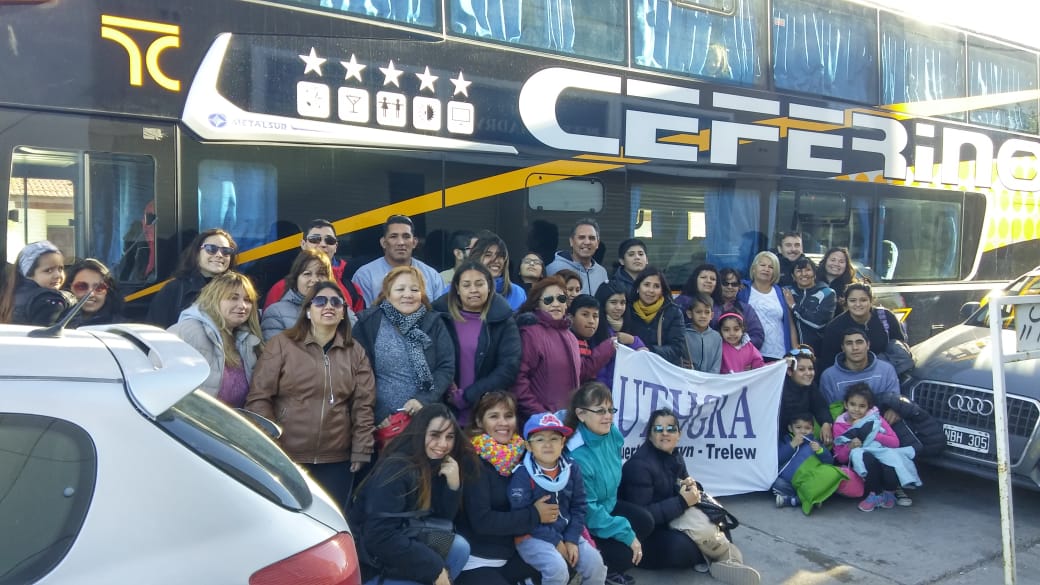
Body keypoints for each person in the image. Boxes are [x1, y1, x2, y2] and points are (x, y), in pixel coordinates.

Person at [246, 281, 375, 510]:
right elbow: (259, 397)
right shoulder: (282, 345)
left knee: (330, 524)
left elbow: (363, 405)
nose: (329, 306)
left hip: (336, 460)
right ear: (307, 310)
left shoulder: (355, 351)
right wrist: (271, 445)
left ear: (344, 312)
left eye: (337, 302)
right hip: (287, 456)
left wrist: (362, 448)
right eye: (320, 301)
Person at [620, 408, 761, 585]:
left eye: (671, 429)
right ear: (650, 435)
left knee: (718, 516)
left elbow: (684, 481)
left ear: (679, 434)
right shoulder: (639, 467)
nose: (665, 433)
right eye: (658, 429)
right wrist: (681, 502)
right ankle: (717, 560)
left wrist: (692, 486)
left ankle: (725, 562)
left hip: (671, 518)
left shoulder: (675, 454)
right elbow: (641, 518)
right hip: (644, 536)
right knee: (682, 549)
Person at [350, 404, 476, 585]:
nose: (443, 444)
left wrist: (453, 486)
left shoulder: (435, 464)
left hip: (406, 538)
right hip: (372, 563)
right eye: (435, 435)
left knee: (459, 547)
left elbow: (441, 522)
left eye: (449, 437)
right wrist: (435, 568)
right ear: (420, 433)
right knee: (443, 564)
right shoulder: (396, 469)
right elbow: (378, 536)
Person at [565, 381, 653, 585]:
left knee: (645, 522)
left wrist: (625, 531)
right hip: (584, 522)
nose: (608, 416)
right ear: (581, 414)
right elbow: (590, 512)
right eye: (600, 411)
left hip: (608, 505)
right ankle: (590, 572)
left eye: (610, 409)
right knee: (625, 553)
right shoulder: (578, 456)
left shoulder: (610, 432)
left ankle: (610, 565)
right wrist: (626, 533)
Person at [456, 392, 545, 585]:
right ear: (480, 422)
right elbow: (482, 521)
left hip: (513, 553)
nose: (503, 423)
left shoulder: (523, 455)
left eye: (508, 415)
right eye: (494, 416)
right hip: (478, 559)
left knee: (567, 560)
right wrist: (535, 515)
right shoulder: (472, 460)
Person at [509, 412, 608, 585]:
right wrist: (556, 541)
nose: (547, 445)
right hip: (531, 536)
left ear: (563, 443)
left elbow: (579, 507)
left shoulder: (572, 468)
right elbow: (521, 517)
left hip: (567, 531)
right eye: (540, 439)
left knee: (595, 564)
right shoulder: (522, 475)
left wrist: (570, 539)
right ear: (529, 446)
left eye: (554, 439)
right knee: (557, 569)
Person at [354, 266, 455, 431]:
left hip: (426, 420)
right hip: (382, 423)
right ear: (387, 294)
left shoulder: (435, 323)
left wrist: (423, 400)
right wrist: (378, 413)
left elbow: (446, 367)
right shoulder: (369, 323)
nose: (407, 294)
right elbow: (357, 372)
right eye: (400, 289)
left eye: (414, 289)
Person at [432, 260, 521, 425]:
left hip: (487, 412)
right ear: (457, 289)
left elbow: (509, 367)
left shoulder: (503, 320)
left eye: (479, 284)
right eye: (466, 285)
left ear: (489, 286)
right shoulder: (440, 317)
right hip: (445, 410)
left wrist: (468, 396)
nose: (473, 290)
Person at [167, 271, 263, 407]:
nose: (242, 305)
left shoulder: (247, 341)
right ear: (213, 299)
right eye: (233, 298)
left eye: (247, 300)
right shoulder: (185, 331)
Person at [833, 384, 921, 512]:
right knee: (864, 455)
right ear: (846, 405)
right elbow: (840, 457)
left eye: (862, 406)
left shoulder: (876, 419)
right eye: (853, 404)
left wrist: (873, 435)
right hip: (862, 467)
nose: (856, 409)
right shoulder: (840, 425)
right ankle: (875, 494)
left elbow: (895, 442)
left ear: (869, 407)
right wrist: (849, 446)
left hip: (881, 455)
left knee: (891, 457)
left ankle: (889, 492)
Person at [512, 276, 581, 418]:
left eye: (561, 299)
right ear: (537, 305)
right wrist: (541, 415)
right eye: (549, 300)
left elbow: (582, 372)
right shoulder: (530, 333)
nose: (556, 304)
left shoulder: (572, 337)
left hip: (569, 422)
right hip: (541, 424)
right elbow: (518, 380)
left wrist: (609, 347)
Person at [263, 219, 366, 315]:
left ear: (336, 247)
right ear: (303, 244)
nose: (322, 244)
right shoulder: (280, 289)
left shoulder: (352, 289)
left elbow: (356, 331)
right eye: (315, 239)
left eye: (329, 240)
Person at [147, 228, 238, 328]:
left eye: (226, 251)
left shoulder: (239, 290)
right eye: (211, 249)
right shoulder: (174, 290)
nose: (219, 255)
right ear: (196, 253)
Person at [352, 214, 447, 305]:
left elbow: (440, 315)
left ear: (414, 242)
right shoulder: (365, 276)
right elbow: (364, 318)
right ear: (383, 242)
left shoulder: (432, 276)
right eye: (393, 236)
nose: (401, 242)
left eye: (406, 237)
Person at [817, 283, 906, 371]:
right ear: (846, 302)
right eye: (852, 300)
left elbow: (899, 346)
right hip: (851, 375)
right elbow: (828, 362)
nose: (858, 304)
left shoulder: (887, 317)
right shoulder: (835, 327)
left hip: (887, 372)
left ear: (871, 301)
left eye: (863, 300)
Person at [772, 413, 846, 513]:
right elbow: (778, 459)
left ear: (812, 429)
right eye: (798, 427)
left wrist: (820, 450)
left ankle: (795, 500)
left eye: (807, 428)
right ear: (790, 428)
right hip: (790, 483)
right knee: (775, 482)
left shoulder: (815, 442)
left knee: (829, 475)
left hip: (808, 480)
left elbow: (829, 461)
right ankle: (807, 498)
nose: (803, 431)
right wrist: (792, 445)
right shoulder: (785, 440)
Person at [260, 249, 336, 340]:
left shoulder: (342, 310)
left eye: (321, 274)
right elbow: (275, 352)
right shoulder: (276, 313)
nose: (314, 280)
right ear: (296, 279)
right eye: (307, 274)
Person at [819, 328, 900, 409]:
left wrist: (894, 411)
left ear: (868, 345)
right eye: (849, 343)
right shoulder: (829, 376)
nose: (855, 348)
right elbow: (827, 412)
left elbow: (895, 401)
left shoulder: (886, 370)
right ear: (843, 348)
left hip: (883, 420)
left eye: (859, 342)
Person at [622, 267, 686, 366]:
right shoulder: (626, 309)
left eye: (656, 286)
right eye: (646, 285)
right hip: (633, 367)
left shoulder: (674, 312)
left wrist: (650, 351)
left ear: (662, 290)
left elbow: (678, 348)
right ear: (638, 287)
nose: (651, 290)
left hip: (662, 370)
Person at [738, 251, 796, 361]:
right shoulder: (742, 289)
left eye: (771, 267)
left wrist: (795, 351)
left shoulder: (782, 292)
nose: (766, 269)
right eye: (762, 265)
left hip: (778, 355)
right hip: (750, 353)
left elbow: (790, 324)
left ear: (775, 272)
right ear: (754, 268)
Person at [0, 240, 74, 326]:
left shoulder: (11, 296)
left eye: (60, 268)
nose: (58, 275)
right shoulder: (48, 299)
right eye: (48, 270)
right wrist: (70, 298)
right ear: (28, 274)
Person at [592, 280, 647, 387]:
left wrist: (633, 341)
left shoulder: (631, 324)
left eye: (623, 303)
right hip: (604, 394)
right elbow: (599, 368)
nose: (619, 307)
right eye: (613, 302)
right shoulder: (594, 328)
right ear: (603, 304)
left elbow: (644, 357)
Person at [780, 346, 834, 445]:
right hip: (780, 442)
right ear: (789, 371)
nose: (808, 373)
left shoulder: (811, 386)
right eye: (801, 369)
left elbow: (820, 407)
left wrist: (826, 423)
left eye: (811, 368)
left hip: (803, 438)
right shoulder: (778, 389)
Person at [546, 218, 609, 295]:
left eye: (592, 238)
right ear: (571, 241)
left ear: (597, 243)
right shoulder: (554, 269)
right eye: (581, 237)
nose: (587, 242)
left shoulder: (602, 272)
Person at [787, 257, 836, 353]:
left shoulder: (827, 293)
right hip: (789, 352)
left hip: (817, 352)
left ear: (814, 274)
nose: (804, 274)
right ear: (793, 276)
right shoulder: (787, 292)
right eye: (799, 271)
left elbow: (818, 323)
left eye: (808, 270)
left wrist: (794, 306)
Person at [568, 294, 619, 384]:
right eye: (585, 314)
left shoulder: (586, 340)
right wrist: (604, 351)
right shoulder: (568, 342)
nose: (591, 321)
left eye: (595, 316)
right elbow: (582, 372)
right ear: (571, 318)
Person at [469, 231, 526, 311]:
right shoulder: (456, 289)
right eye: (488, 255)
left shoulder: (518, 293)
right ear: (475, 258)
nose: (495, 260)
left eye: (500, 255)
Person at [64, 258, 125, 327]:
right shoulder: (54, 324)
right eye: (81, 287)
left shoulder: (121, 328)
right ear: (69, 288)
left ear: (108, 291)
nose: (91, 294)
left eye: (99, 288)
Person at [714, 268, 764, 349]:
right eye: (725, 283)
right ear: (718, 284)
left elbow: (758, 336)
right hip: (714, 356)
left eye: (734, 284)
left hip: (740, 358)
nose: (730, 287)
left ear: (739, 286)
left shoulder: (746, 309)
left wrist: (738, 345)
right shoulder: (709, 307)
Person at [678, 293, 722, 373]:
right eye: (698, 312)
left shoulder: (717, 337)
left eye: (707, 312)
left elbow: (716, 365)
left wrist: (708, 380)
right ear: (690, 314)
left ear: (711, 315)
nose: (703, 316)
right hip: (688, 380)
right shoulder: (683, 335)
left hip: (710, 382)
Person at [819, 247, 857, 316]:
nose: (836, 264)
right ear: (825, 261)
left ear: (846, 265)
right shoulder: (813, 281)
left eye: (841, 261)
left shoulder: (851, 289)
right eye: (833, 260)